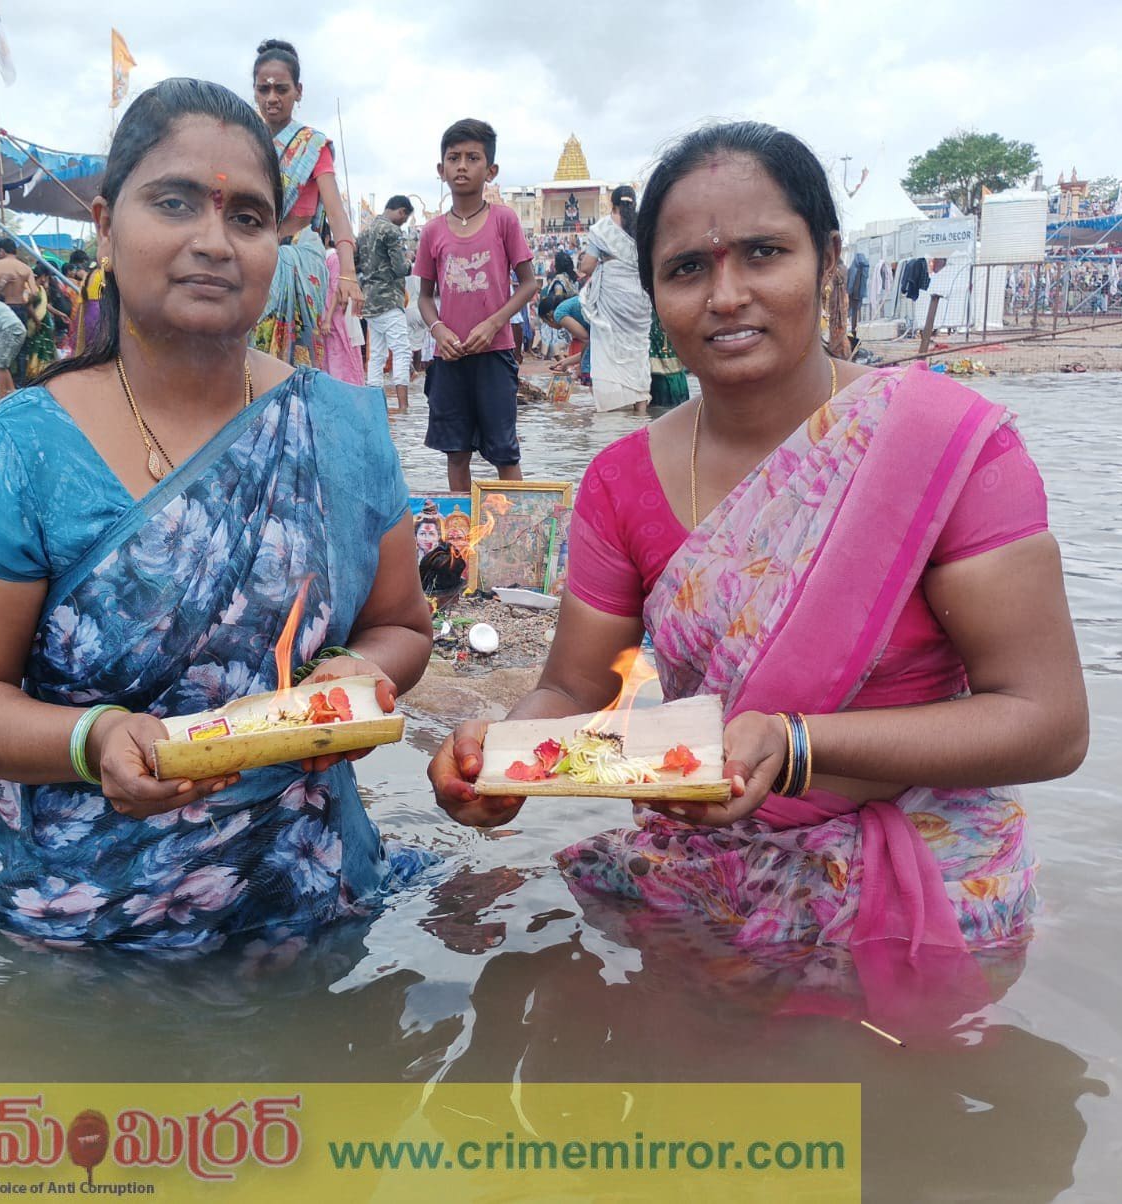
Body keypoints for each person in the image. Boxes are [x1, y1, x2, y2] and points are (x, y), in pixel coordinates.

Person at [430, 121, 1088, 1023]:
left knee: (889, 1104)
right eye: (686, 269)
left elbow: (1049, 724)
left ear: (828, 261)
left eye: (764, 253)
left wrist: (800, 745)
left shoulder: (943, 444)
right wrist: (497, 758)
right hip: (705, 877)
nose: (726, 295)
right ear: (654, 293)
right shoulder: (621, 483)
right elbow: (575, 689)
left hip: (931, 881)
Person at [0, 77, 435, 950]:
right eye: (174, 203)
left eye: (248, 218)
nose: (213, 242)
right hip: (72, 935)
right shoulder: (22, 452)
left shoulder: (342, 428)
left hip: (307, 908)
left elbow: (404, 629)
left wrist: (356, 675)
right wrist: (95, 740)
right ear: (104, 225)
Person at [414, 118, 538, 491]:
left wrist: (494, 323)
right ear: (441, 170)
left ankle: (514, 523)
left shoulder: (504, 221)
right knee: (456, 452)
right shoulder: (432, 231)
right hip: (449, 357)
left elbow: (528, 283)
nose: (462, 166)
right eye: (454, 158)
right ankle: (461, 525)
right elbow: (424, 297)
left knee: (505, 452)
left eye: (473, 158)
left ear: (491, 170)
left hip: (494, 353)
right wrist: (438, 330)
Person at [250, 39, 363, 367]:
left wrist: (348, 274)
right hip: (252, 255)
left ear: (298, 91)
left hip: (298, 261)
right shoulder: (245, 140)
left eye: (282, 89)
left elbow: (337, 214)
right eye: (263, 89)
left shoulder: (312, 146)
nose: (272, 98)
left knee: (295, 363)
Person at [576, 184, 652, 414]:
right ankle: (640, 406)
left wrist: (587, 263)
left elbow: (587, 266)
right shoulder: (644, 226)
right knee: (638, 349)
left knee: (608, 345)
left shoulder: (603, 229)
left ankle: (611, 409)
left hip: (613, 294)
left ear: (613, 203)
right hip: (639, 296)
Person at [358, 194, 414, 412]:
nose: (403, 223)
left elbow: (357, 265)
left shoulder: (365, 233)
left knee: (376, 355)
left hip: (370, 301)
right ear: (401, 211)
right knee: (401, 351)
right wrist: (409, 261)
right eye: (405, 219)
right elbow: (400, 268)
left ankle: (375, 407)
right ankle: (403, 407)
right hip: (389, 299)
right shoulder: (391, 231)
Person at [320, 228, 365, 386]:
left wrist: (328, 319)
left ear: (326, 239)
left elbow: (337, 291)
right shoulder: (325, 258)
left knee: (341, 357)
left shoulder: (333, 258)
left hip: (336, 317)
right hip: (330, 316)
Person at [539, 291, 591, 382]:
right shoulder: (569, 306)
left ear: (549, 316)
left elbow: (586, 339)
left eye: (545, 322)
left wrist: (582, 367)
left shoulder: (559, 313)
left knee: (586, 377)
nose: (550, 326)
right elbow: (589, 347)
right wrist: (566, 362)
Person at [0, 237, 34, 314]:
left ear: (2, 251)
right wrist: (26, 304)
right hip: (19, 306)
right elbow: (34, 293)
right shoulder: (26, 268)